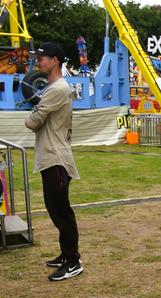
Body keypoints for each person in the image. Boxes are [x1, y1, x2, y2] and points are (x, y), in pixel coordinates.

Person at [25, 42, 83, 281]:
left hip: (56, 159)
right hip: (51, 157)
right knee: (54, 209)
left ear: (56, 61)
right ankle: (65, 253)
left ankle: (73, 260)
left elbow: (32, 122)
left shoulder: (57, 88)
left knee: (61, 212)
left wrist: (34, 110)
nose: (39, 62)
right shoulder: (54, 88)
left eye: (44, 58)